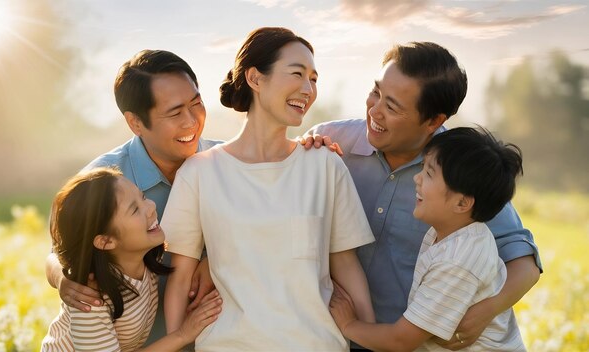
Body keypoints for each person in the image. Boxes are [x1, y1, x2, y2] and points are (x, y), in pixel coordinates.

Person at [303, 42, 541, 350]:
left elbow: (524, 262)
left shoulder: (459, 174)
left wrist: (483, 313)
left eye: (393, 107)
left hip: (410, 341)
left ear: (433, 121)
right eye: (376, 92)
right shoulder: (331, 144)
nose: (375, 111)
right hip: (346, 337)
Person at [161, 27, 375, 351]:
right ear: (255, 79)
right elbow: (179, 278)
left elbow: (346, 265)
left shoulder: (325, 165)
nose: (308, 89)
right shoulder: (200, 173)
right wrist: (176, 343)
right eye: (297, 74)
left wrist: (372, 340)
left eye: (314, 79)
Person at [44, 50, 220, 345]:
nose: (191, 121)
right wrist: (64, 279)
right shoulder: (102, 181)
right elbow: (59, 253)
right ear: (135, 123)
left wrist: (216, 259)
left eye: (197, 103)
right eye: (175, 112)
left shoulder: (233, 161)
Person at [329, 127, 527, 351]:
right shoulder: (447, 233)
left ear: (462, 203)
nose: (417, 178)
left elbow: (401, 341)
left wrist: (348, 325)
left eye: (429, 174)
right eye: (423, 168)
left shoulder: (458, 260)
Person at [41, 168, 222, 351]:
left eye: (142, 197)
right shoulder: (91, 299)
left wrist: (209, 261)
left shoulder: (146, 257)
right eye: (135, 209)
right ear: (106, 241)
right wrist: (183, 334)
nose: (151, 206)